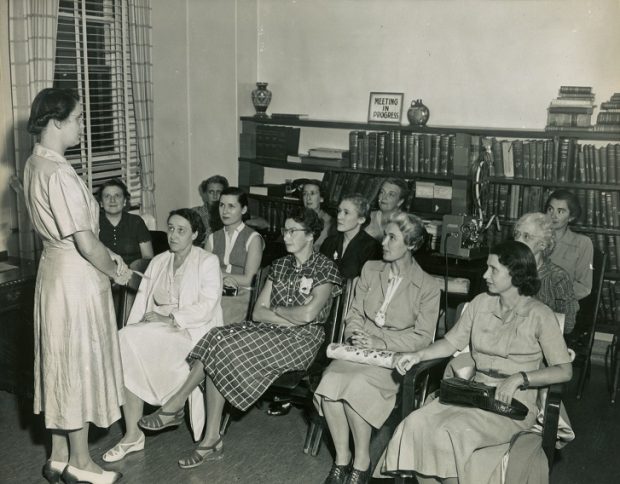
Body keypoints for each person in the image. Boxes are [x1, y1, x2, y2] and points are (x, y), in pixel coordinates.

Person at [137, 208, 342, 469]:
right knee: (218, 335)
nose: (286, 236)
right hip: (270, 333)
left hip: (302, 341)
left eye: (293, 231)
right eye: (285, 230)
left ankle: (181, 410)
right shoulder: (280, 265)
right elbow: (258, 312)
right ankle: (208, 438)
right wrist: (287, 314)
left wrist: (276, 311)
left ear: (311, 236)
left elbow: (309, 315)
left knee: (221, 345)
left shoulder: (325, 268)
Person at [383, 240, 573, 484]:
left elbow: (564, 370)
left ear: (515, 274)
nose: (485, 275)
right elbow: (450, 343)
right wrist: (417, 355)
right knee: (415, 424)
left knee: (449, 433)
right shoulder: (480, 303)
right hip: (473, 393)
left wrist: (520, 378)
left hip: (511, 405)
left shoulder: (540, 315)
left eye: (493, 269)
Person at [23, 88, 131, 484]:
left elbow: (73, 237)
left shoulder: (35, 163)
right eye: (78, 119)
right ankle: (82, 464)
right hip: (75, 280)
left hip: (54, 272)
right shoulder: (61, 173)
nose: (83, 126)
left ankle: (59, 455)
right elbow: (85, 243)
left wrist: (111, 255)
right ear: (56, 123)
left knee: (59, 360)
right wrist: (115, 270)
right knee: (78, 364)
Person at [315, 212, 440, 484]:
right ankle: (342, 459)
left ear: (411, 244)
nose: (384, 243)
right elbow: (354, 313)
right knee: (330, 384)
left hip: (393, 359)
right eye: (385, 236)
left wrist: (381, 343)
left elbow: (422, 338)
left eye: (392, 238)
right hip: (359, 348)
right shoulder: (371, 269)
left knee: (356, 387)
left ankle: (362, 462)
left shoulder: (428, 286)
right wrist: (356, 333)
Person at [102, 208, 223, 463]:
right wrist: (132, 328)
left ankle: (169, 405)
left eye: (181, 230)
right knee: (124, 342)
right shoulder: (158, 261)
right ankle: (133, 434)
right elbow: (143, 302)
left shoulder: (207, 261)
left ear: (195, 234)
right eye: (170, 228)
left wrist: (170, 318)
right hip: (159, 328)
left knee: (135, 343)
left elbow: (208, 305)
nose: (173, 235)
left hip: (192, 330)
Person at [205, 187, 264, 324]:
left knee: (216, 321)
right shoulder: (213, 238)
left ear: (243, 210)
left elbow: (249, 280)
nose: (225, 211)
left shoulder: (253, 238)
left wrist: (220, 276)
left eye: (231, 206)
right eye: (222, 205)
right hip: (215, 290)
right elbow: (204, 272)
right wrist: (220, 280)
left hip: (242, 295)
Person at [514, 212, 578, 333]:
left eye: (526, 236)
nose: (518, 240)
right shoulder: (507, 271)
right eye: (517, 234)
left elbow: (568, 324)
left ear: (542, 244)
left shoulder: (558, 277)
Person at [544, 189, 593, 300]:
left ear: (571, 217)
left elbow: (584, 287)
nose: (553, 216)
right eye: (550, 209)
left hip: (562, 304)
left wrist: (552, 296)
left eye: (560, 211)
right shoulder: (535, 238)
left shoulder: (582, 243)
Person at [319, 193, 382, 279]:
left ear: (361, 219)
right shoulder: (329, 242)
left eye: (346, 212)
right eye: (339, 211)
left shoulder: (372, 248)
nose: (339, 217)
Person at [97, 178, 153, 265]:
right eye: (107, 196)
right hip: (103, 274)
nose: (112, 200)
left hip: (133, 272)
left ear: (124, 201)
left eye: (117, 196)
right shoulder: (94, 223)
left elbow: (148, 257)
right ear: (101, 203)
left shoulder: (136, 222)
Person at [302, 179, 334, 250]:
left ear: (321, 198)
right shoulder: (298, 217)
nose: (308, 198)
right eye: (305, 194)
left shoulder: (328, 223)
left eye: (312, 193)